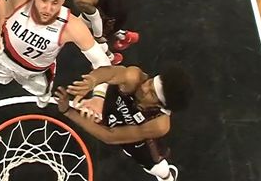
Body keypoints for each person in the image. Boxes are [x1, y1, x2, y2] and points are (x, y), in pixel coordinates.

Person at [55, 65, 193, 181]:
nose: (144, 88)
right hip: (112, 109)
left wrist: (68, 111)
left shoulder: (158, 124)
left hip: (134, 137)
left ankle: (167, 176)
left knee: (156, 167)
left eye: (151, 94)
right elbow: (109, 73)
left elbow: (110, 136)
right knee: (100, 103)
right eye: (150, 82)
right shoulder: (134, 78)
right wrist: (92, 81)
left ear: (160, 106)